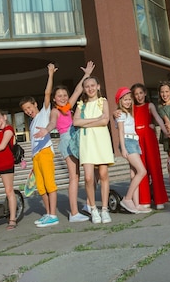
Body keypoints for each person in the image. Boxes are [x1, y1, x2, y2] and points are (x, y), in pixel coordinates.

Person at [34, 61, 94, 223]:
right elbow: (53, 122)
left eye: (64, 95)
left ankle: (89, 204)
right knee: (74, 177)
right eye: (59, 96)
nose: (63, 98)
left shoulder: (68, 107)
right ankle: (74, 213)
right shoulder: (55, 111)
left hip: (77, 138)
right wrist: (46, 130)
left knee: (85, 173)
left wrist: (86, 74)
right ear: (54, 99)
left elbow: (77, 90)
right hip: (67, 141)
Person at [19, 63, 59, 228]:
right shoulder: (33, 121)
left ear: (35, 104)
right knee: (41, 188)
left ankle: (53, 215)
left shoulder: (44, 112)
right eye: (25, 110)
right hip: (36, 155)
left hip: (45, 152)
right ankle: (47, 213)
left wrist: (50, 74)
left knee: (50, 184)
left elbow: (47, 93)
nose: (28, 111)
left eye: (29, 107)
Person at [73, 76, 115, 224]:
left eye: (92, 85)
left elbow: (105, 120)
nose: (90, 88)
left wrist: (86, 124)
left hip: (101, 141)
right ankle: (92, 208)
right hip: (87, 143)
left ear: (98, 86)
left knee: (103, 174)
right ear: (84, 89)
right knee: (89, 177)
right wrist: (95, 120)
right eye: (87, 86)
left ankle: (104, 209)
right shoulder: (81, 105)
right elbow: (75, 121)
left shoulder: (102, 101)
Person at [130, 83, 169, 210]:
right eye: (136, 94)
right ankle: (144, 199)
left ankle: (159, 199)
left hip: (149, 137)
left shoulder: (149, 105)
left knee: (154, 167)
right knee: (141, 169)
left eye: (141, 93)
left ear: (145, 93)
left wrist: (166, 132)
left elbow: (158, 118)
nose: (139, 96)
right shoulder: (131, 108)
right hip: (137, 139)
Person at [114, 87, 151, 214]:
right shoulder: (120, 114)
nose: (128, 102)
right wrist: (123, 148)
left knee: (134, 174)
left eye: (129, 99)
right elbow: (120, 131)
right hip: (128, 142)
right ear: (120, 101)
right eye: (125, 100)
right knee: (142, 171)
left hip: (134, 142)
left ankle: (136, 204)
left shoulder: (128, 113)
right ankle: (127, 199)